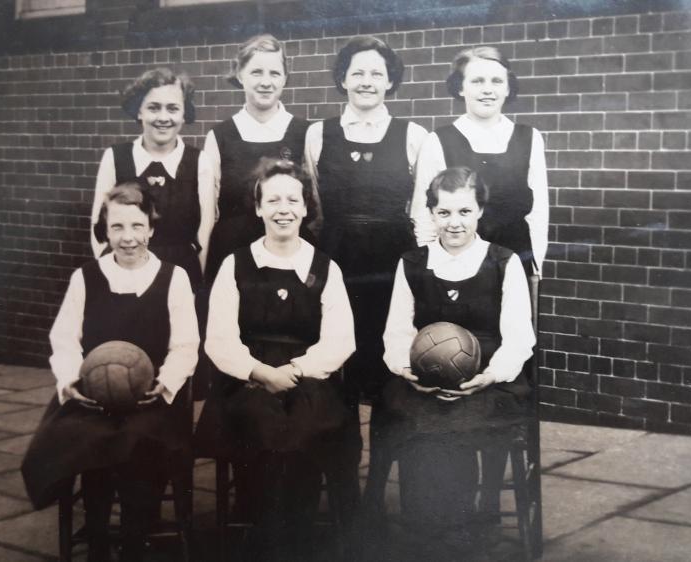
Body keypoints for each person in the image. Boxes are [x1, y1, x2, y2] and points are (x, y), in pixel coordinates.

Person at [22, 183, 199, 562]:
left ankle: (136, 537)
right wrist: (71, 381)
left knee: (139, 443)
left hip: (149, 398)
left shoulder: (174, 278)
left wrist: (165, 384)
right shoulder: (85, 277)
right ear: (105, 230)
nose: (128, 238)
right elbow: (64, 338)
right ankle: (99, 538)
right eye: (117, 227)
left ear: (151, 228)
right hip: (93, 398)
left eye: (137, 226)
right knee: (89, 441)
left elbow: (185, 345)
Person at [194, 159, 359, 561]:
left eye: (292, 199)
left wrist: (297, 371)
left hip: (309, 377)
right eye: (273, 200)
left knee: (304, 430)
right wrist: (260, 372)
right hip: (248, 376)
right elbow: (218, 338)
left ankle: (296, 541)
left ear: (305, 208)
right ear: (257, 207)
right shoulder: (235, 264)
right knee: (263, 428)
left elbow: (341, 339)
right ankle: (262, 538)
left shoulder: (325, 268)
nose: (283, 208)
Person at [381, 167, 535, 559]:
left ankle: (467, 533)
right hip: (425, 376)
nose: (454, 223)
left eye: (464, 212)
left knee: (456, 427)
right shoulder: (412, 263)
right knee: (415, 420)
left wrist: (489, 375)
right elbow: (397, 332)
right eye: (445, 212)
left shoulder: (503, 262)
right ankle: (423, 530)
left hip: (488, 380)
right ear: (431, 213)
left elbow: (519, 337)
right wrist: (407, 370)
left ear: (480, 211)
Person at [305, 35, 427, 401]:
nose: (366, 81)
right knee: (336, 349)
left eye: (377, 73)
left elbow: (421, 210)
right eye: (356, 72)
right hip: (337, 255)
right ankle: (338, 448)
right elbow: (312, 205)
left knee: (386, 352)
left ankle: (385, 443)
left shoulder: (413, 135)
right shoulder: (318, 134)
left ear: (390, 81)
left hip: (391, 258)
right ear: (342, 79)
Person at [410, 46, 549, 276]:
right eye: (477, 81)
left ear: (507, 88)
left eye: (496, 81)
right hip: (455, 264)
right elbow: (424, 215)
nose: (487, 90)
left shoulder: (530, 138)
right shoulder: (438, 141)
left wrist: (536, 267)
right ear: (460, 87)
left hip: (515, 261)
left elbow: (538, 214)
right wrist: (430, 268)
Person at [201, 34, 315, 281]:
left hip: (289, 256)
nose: (266, 82)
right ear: (240, 75)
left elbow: (315, 207)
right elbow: (208, 215)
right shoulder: (220, 136)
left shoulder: (306, 133)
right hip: (231, 255)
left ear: (285, 78)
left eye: (274, 73)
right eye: (256, 72)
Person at [89, 67, 212, 289]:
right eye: (153, 108)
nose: (163, 117)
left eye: (173, 108)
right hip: (124, 277)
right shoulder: (116, 158)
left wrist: (194, 285)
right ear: (139, 112)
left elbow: (204, 235)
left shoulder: (199, 162)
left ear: (184, 114)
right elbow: (99, 230)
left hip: (180, 278)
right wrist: (110, 276)